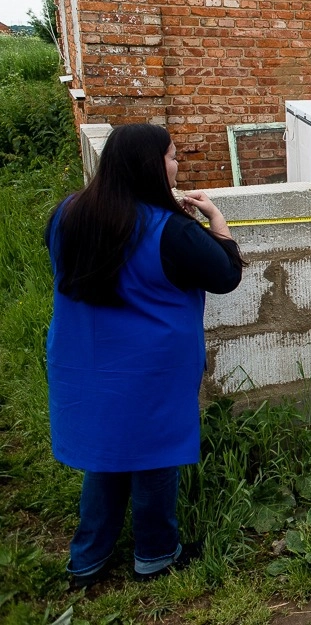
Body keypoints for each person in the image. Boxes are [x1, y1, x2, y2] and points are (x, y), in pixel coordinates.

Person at [45, 123, 244, 588]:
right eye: (173, 157)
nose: (178, 166)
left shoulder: (68, 214)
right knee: (155, 455)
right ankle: (155, 554)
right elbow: (224, 275)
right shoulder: (169, 230)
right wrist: (216, 223)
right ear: (151, 166)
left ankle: (88, 559)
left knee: (106, 452)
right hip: (150, 368)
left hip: (84, 360)